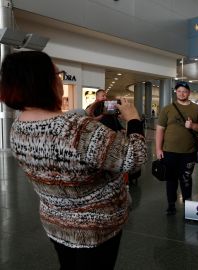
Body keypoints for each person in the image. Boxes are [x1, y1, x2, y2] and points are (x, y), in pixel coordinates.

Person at [0, 51, 147, 270]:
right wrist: (133, 120)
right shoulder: (78, 129)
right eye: (58, 75)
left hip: (56, 223)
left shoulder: (18, 127)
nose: (60, 81)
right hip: (95, 229)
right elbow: (134, 158)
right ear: (43, 81)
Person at [156, 81, 198, 215]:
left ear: (189, 93)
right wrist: (158, 149)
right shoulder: (167, 109)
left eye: (185, 91)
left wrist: (193, 126)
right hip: (169, 151)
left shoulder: (197, 109)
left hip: (189, 152)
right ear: (176, 92)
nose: (182, 93)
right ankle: (171, 205)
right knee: (171, 179)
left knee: (186, 178)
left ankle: (188, 204)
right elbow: (160, 129)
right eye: (179, 91)